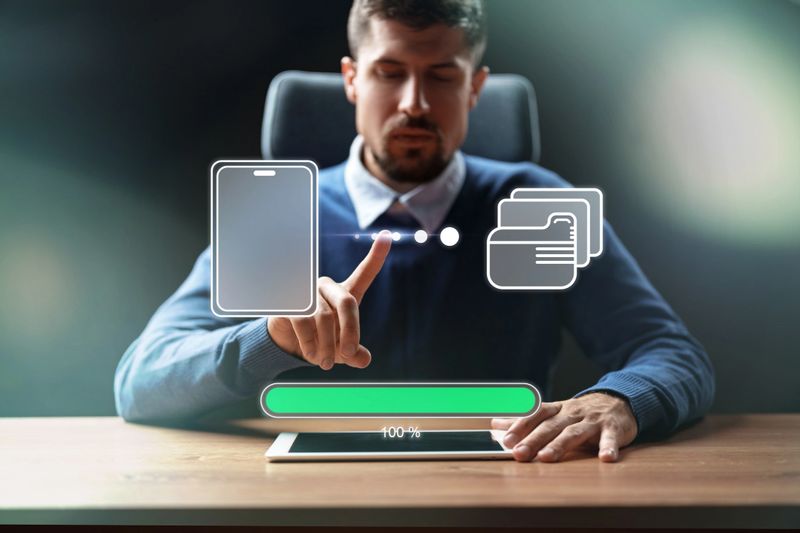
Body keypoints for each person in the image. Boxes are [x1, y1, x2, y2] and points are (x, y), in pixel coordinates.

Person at [115, 0, 714, 463]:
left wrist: (623, 398)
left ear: (475, 88)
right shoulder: (277, 213)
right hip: (313, 502)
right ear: (352, 80)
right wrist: (269, 339)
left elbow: (673, 354)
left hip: (504, 493)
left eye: (442, 77)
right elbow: (143, 380)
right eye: (389, 72)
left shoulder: (537, 203)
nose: (414, 103)